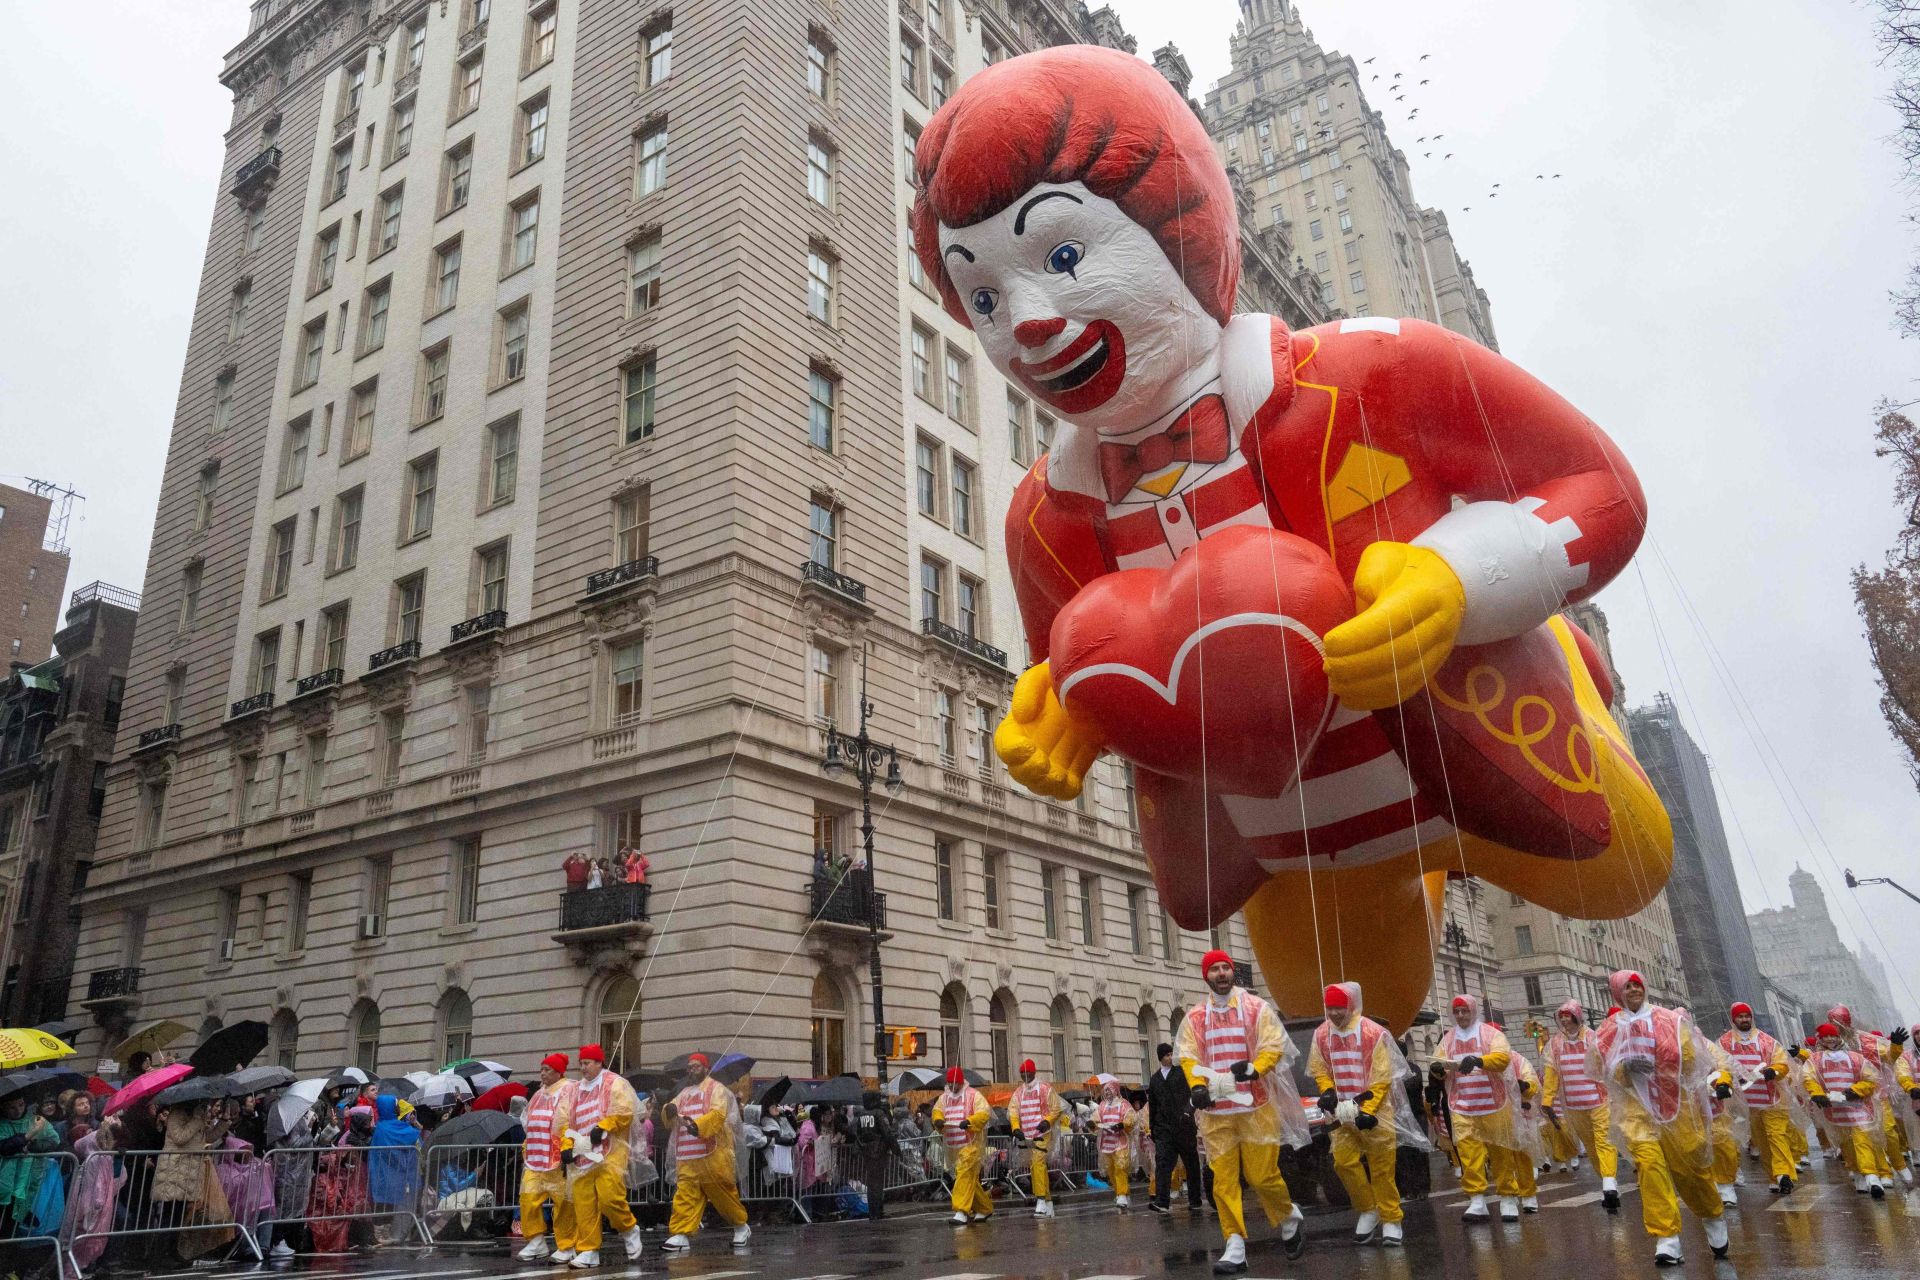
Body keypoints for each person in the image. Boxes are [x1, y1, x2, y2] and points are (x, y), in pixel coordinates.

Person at [1176, 949, 1310, 1275]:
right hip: (1215, 1112)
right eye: (1215, 969)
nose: (1221, 973)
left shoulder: (1255, 1007)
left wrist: (1254, 1068)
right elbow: (1189, 1056)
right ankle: (1234, 1243)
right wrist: (1196, 1086)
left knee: (1261, 1176)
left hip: (1256, 1106)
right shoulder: (1195, 1017)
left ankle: (1287, 1215)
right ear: (1206, 976)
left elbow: (1274, 1045)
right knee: (1223, 1181)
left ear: (1232, 972)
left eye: (1226, 968)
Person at [1596, 969, 1729, 1265]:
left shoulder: (1670, 1020)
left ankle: (1712, 1214)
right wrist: (1625, 1067)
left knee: (1691, 1171)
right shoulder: (1608, 1029)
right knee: (1649, 1168)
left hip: (1676, 1107)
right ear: (1617, 992)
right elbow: (1600, 1068)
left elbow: (1691, 1059)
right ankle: (1666, 1237)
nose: (1633, 990)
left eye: (1637, 985)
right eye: (1627, 986)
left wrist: (1655, 1063)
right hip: (1635, 1112)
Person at [1308, 981, 1424, 1245]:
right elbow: (1319, 1067)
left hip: (1376, 1114)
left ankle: (1392, 1219)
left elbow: (1382, 1076)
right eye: (1330, 1008)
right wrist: (1327, 1091)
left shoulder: (1373, 1033)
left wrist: (1368, 1110)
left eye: (1339, 1007)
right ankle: (1368, 1209)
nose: (1335, 1013)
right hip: (1341, 1114)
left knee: (1382, 1168)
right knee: (1342, 1162)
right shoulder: (1321, 1034)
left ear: (1350, 1005)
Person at [1430, 994, 1523, 1224]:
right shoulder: (1448, 1040)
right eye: (1457, 1012)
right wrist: (1437, 1069)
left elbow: (1502, 1058)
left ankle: (1508, 1197)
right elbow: (1439, 1065)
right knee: (1468, 1155)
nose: (1461, 1015)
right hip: (1462, 1106)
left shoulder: (1491, 1035)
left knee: (1500, 1152)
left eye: (1465, 1011)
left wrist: (1479, 1061)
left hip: (1494, 1105)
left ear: (1473, 1011)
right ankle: (1477, 1199)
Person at [565, 1044, 643, 1266]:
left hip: (609, 1152)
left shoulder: (615, 1083)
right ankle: (589, 1250)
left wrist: (604, 1126)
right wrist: (565, 1145)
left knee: (610, 1199)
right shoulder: (574, 1090)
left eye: (587, 1063)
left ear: (599, 1063)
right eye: (581, 1063)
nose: (583, 1068)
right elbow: (566, 1121)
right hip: (582, 1156)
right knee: (583, 1204)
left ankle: (629, 1229)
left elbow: (625, 1111)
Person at [662, 1053, 750, 1250]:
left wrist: (698, 1126)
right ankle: (681, 1233)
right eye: (690, 1067)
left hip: (713, 1154)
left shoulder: (717, 1089)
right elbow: (671, 1110)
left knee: (723, 1195)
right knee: (685, 1195)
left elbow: (718, 1114)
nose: (691, 1070)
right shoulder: (684, 1092)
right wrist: (667, 1110)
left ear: (705, 1068)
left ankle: (740, 1226)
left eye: (696, 1066)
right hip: (687, 1155)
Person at [1541, 999, 1620, 1211]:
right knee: (1591, 1146)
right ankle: (1607, 1180)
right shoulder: (1555, 1044)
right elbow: (1551, 1074)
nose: (1565, 1020)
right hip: (1575, 1106)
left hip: (1599, 1101)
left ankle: (1609, 1184)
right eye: (1562, 1016)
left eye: (1568, 1015)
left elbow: (1609, 1065)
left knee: (1604, 1140)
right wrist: (1547, 1099)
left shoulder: (1594, 1038)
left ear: (1577, 1016)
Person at [1806, 1021, 1893, 1197]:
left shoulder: (1854, 1057)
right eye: (1826, 1036)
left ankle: (1872, 1177)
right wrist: (1817, 1094)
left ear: (1838, 1037)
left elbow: (1870, 1078)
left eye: (1833, 1035)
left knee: (1863, 1141)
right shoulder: (1814, 1060)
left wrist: (1855, 1090)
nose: (1830, 1039)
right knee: (1846, 1145)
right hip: (1835, 1111)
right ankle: (1858, 1173)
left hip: (1858, 1108)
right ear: (1820, 1039)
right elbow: (1809, 1079)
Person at [1719, 1002, 1795, 1194]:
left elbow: (1782, 1063)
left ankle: (1783, 1174)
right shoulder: (1724, 1043)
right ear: (1733, 1019)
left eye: (1747, 1016)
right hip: (1745, 1104)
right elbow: (1720, 1067)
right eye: (1740, 1016)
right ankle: (1774, 1176)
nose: (1744, 1019)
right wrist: (1725, 1082)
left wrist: (1773, 1071)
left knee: (1777, 1137)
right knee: (1761, 1141)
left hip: (1773, 1101)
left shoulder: (1767, 1041)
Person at [517, 1053, 577, 1261]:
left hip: (555, 1159)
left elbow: (568, 1121)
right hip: (534, 1158)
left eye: (547, 1070)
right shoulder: (539, 1094)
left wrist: (566, 1148)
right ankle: (536, 1241)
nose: (543, 1073)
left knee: (564, 1203)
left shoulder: (568, 1089)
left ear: (559, 1072)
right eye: (542, 1069)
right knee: (527, 1198)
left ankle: (567, 1245)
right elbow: (527, 1120)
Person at [1146, 1041, 1206, 1215]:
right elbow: (1153, 1106)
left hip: (1184, 1127)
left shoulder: (1182, 1073)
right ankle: (1162, 1201)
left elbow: (1193, 1095)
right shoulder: (1155, 1079)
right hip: (1164, 1129)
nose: (1171, 1057)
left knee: (1191, 1164)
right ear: (1160, 1058)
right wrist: (1154, 1129)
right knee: (1163, 1164)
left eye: (1172, 1054)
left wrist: (1188, 1113)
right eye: (1167, 1055)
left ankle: (1195, 1199)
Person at [931, 1065, 992, 1224]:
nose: (951, 1086)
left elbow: (984, 1113)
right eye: (949, 1083)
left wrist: (970, 1121)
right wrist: (937, 1119)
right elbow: (937, 1110)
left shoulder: (974, 1095)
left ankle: (961, 1210)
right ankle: (984, 1208)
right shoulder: (944, 1097)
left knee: (964, 1174)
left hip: (971, 1144)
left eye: (954, 1083)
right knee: (966, 1178)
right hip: (953, 1144)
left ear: (960, 1082)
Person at [1008, 1058, 1066, 1217]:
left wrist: (1047, 1122)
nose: (1024, 1075)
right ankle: (1047, 1202)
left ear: (1034, 1072)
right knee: (1036, 1167)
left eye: (1027, 1072)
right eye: (1022, 1073)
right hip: (1027, 1136)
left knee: (1037, 1162)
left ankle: (1040, 1199)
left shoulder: (1045, 1089)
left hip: (1042, 1134)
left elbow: (1056, 1108)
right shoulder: (1019, 1092)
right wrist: (1016, 1128)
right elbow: (1013, 1111)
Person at [1093, 1076, 1137, 1210]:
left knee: (1120, 1168)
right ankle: (1120, 1192)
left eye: (1109, 1090)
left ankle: (1122, 1194)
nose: (1107, 1093)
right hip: (1106, 1143)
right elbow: (1096, 1118)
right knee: (1111, 1171)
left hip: (1120, 1142)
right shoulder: (1102, 1105)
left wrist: (1122, 1125)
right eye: (1105, 1091)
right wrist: (1092, 1123)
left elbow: (1131, 1118)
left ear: (1116, 1091)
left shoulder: (1124, 1104)